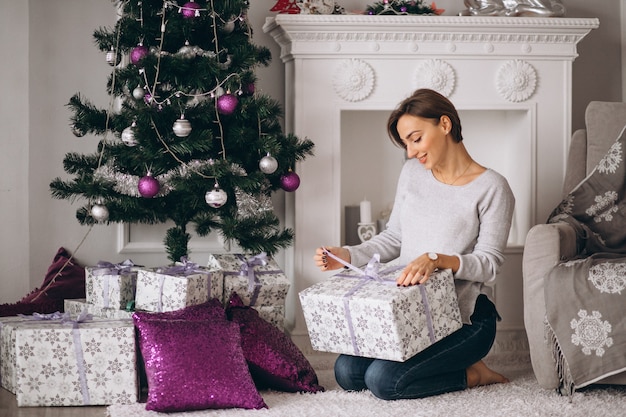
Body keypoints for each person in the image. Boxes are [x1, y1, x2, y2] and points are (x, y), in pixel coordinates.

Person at [313, 88, 515, 400]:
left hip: (465, 320)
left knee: (383, 381)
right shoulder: (412, 173)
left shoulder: (493, 187)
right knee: (347, 373)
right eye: (406, 143)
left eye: (415, 138)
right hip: (411, 313)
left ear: (445, 125)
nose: (410, 152)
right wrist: (347, 254)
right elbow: (394, 238)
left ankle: (473, 372)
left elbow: (489, 263)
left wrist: (437, 259)